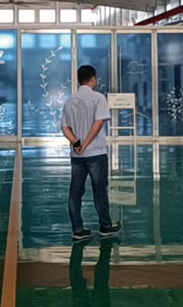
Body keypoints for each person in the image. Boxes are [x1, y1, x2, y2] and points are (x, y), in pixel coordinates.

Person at [61, 65, 122, 241]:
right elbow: (98, 123)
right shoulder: (98, 98)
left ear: (79, 80)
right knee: (99, 190)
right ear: (93, 79)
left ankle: (77, 229)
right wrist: (86, 144)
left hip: (77, 156)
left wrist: (76, 143)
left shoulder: (69, 101)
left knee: (75, 192)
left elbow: (64, 127)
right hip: (96, 153)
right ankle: (105, 226)